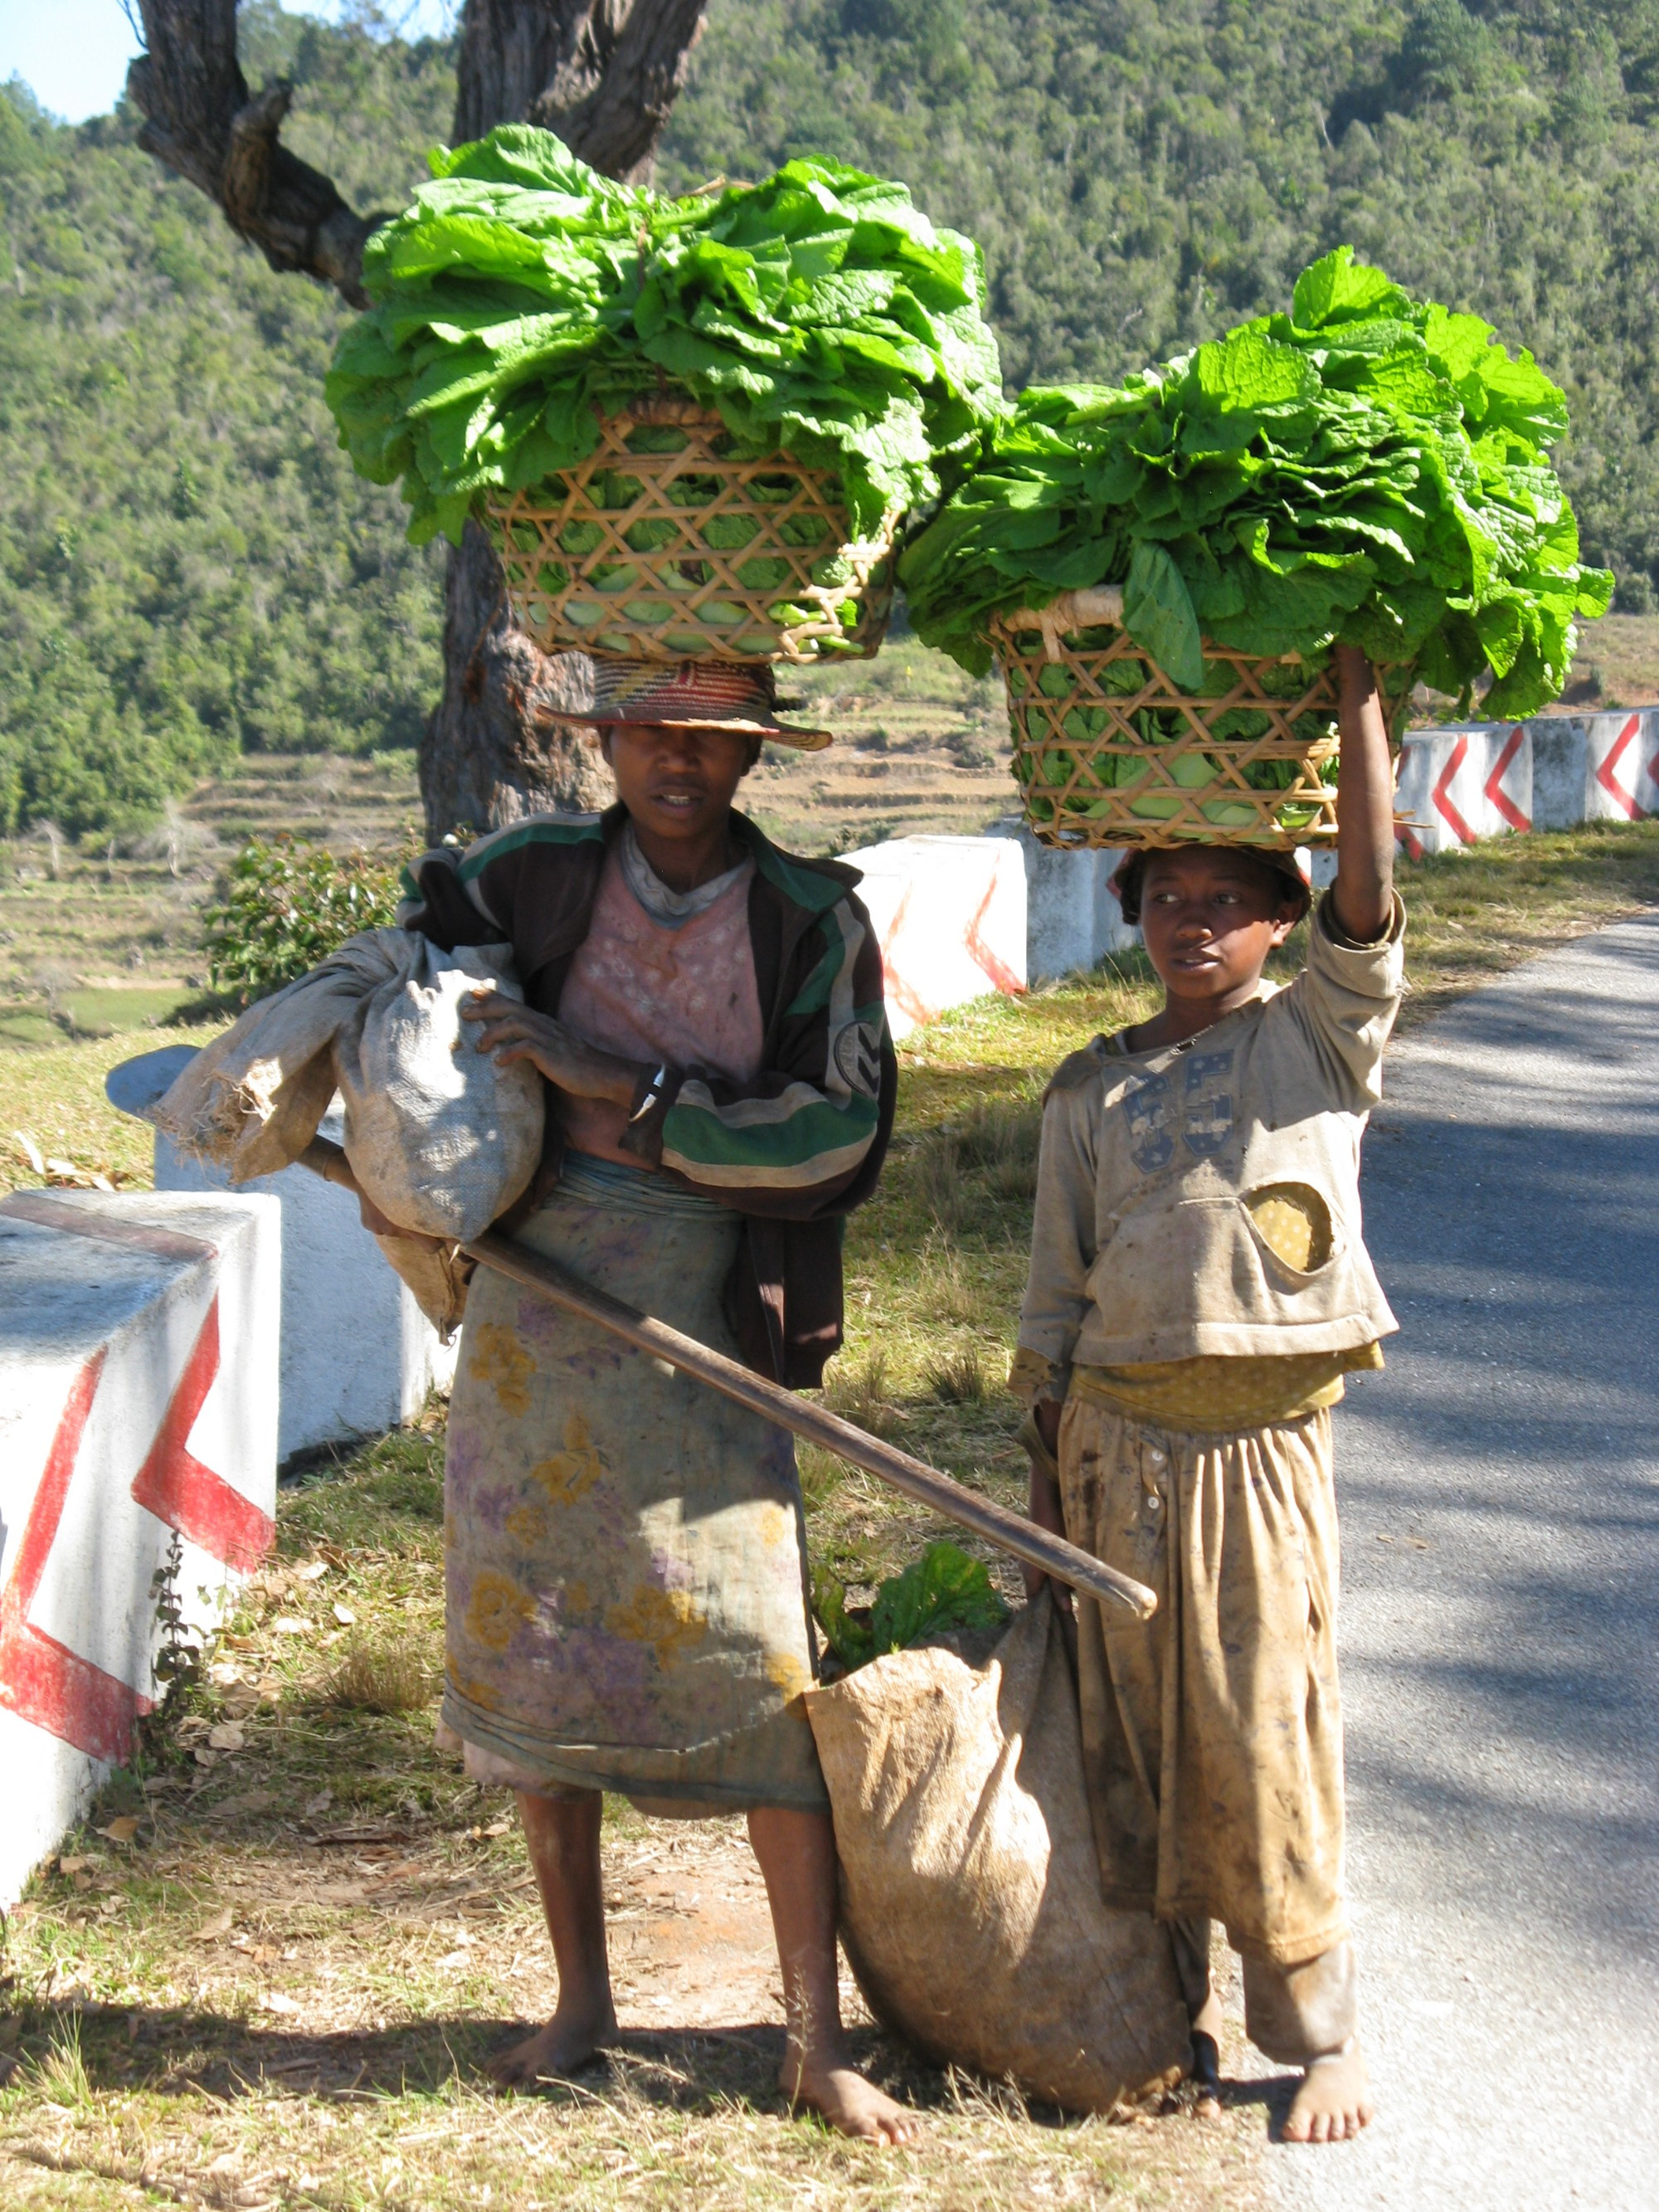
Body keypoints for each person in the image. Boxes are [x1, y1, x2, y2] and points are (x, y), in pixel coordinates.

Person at [391, 656, 915, 2144]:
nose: (678, 762)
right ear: (608, 738)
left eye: (713, 739)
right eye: (651, 731)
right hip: (536, 1313)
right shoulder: (528, 878)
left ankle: (815, 2040)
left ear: (754, 757)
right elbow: (421, 973)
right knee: (536, 1647)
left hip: (703, 1303)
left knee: (756, 1662)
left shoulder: (812, 919)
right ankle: (578, 2004)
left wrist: (617, 1083)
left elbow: (838, 1132)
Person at [1011, 646, 1403, 2145]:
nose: (1196, 922)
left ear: (1283, 920)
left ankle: (1320, 2034)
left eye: (1229, 898)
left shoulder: (1313, 1037)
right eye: (1168, 896)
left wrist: (1358, 703)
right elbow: (1054, 1300)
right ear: (1130, 914)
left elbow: (1373, 889)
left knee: (1264, 1733)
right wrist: (1047, 1468)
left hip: (1257, 1454)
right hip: (1114, 1452)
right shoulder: (1082, 1090)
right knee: (1128, 1747)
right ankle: (1152, 2014)